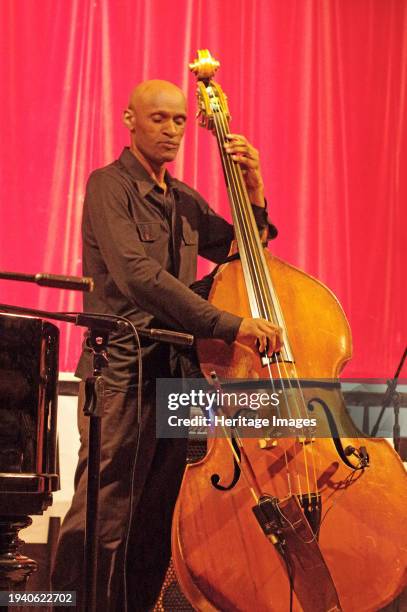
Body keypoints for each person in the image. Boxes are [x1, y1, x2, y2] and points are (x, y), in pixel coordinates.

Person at [52, 80, 282, 611]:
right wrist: (230, 325)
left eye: (180, 120)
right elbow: (139, 277)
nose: (173, 130)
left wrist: (253, 189)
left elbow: (244, 248)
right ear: (129, 120)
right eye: (159, 119)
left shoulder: (182, 199)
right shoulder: (109, 185)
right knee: (104, 517)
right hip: (123, 371)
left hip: (177, 376)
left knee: (156, 520)